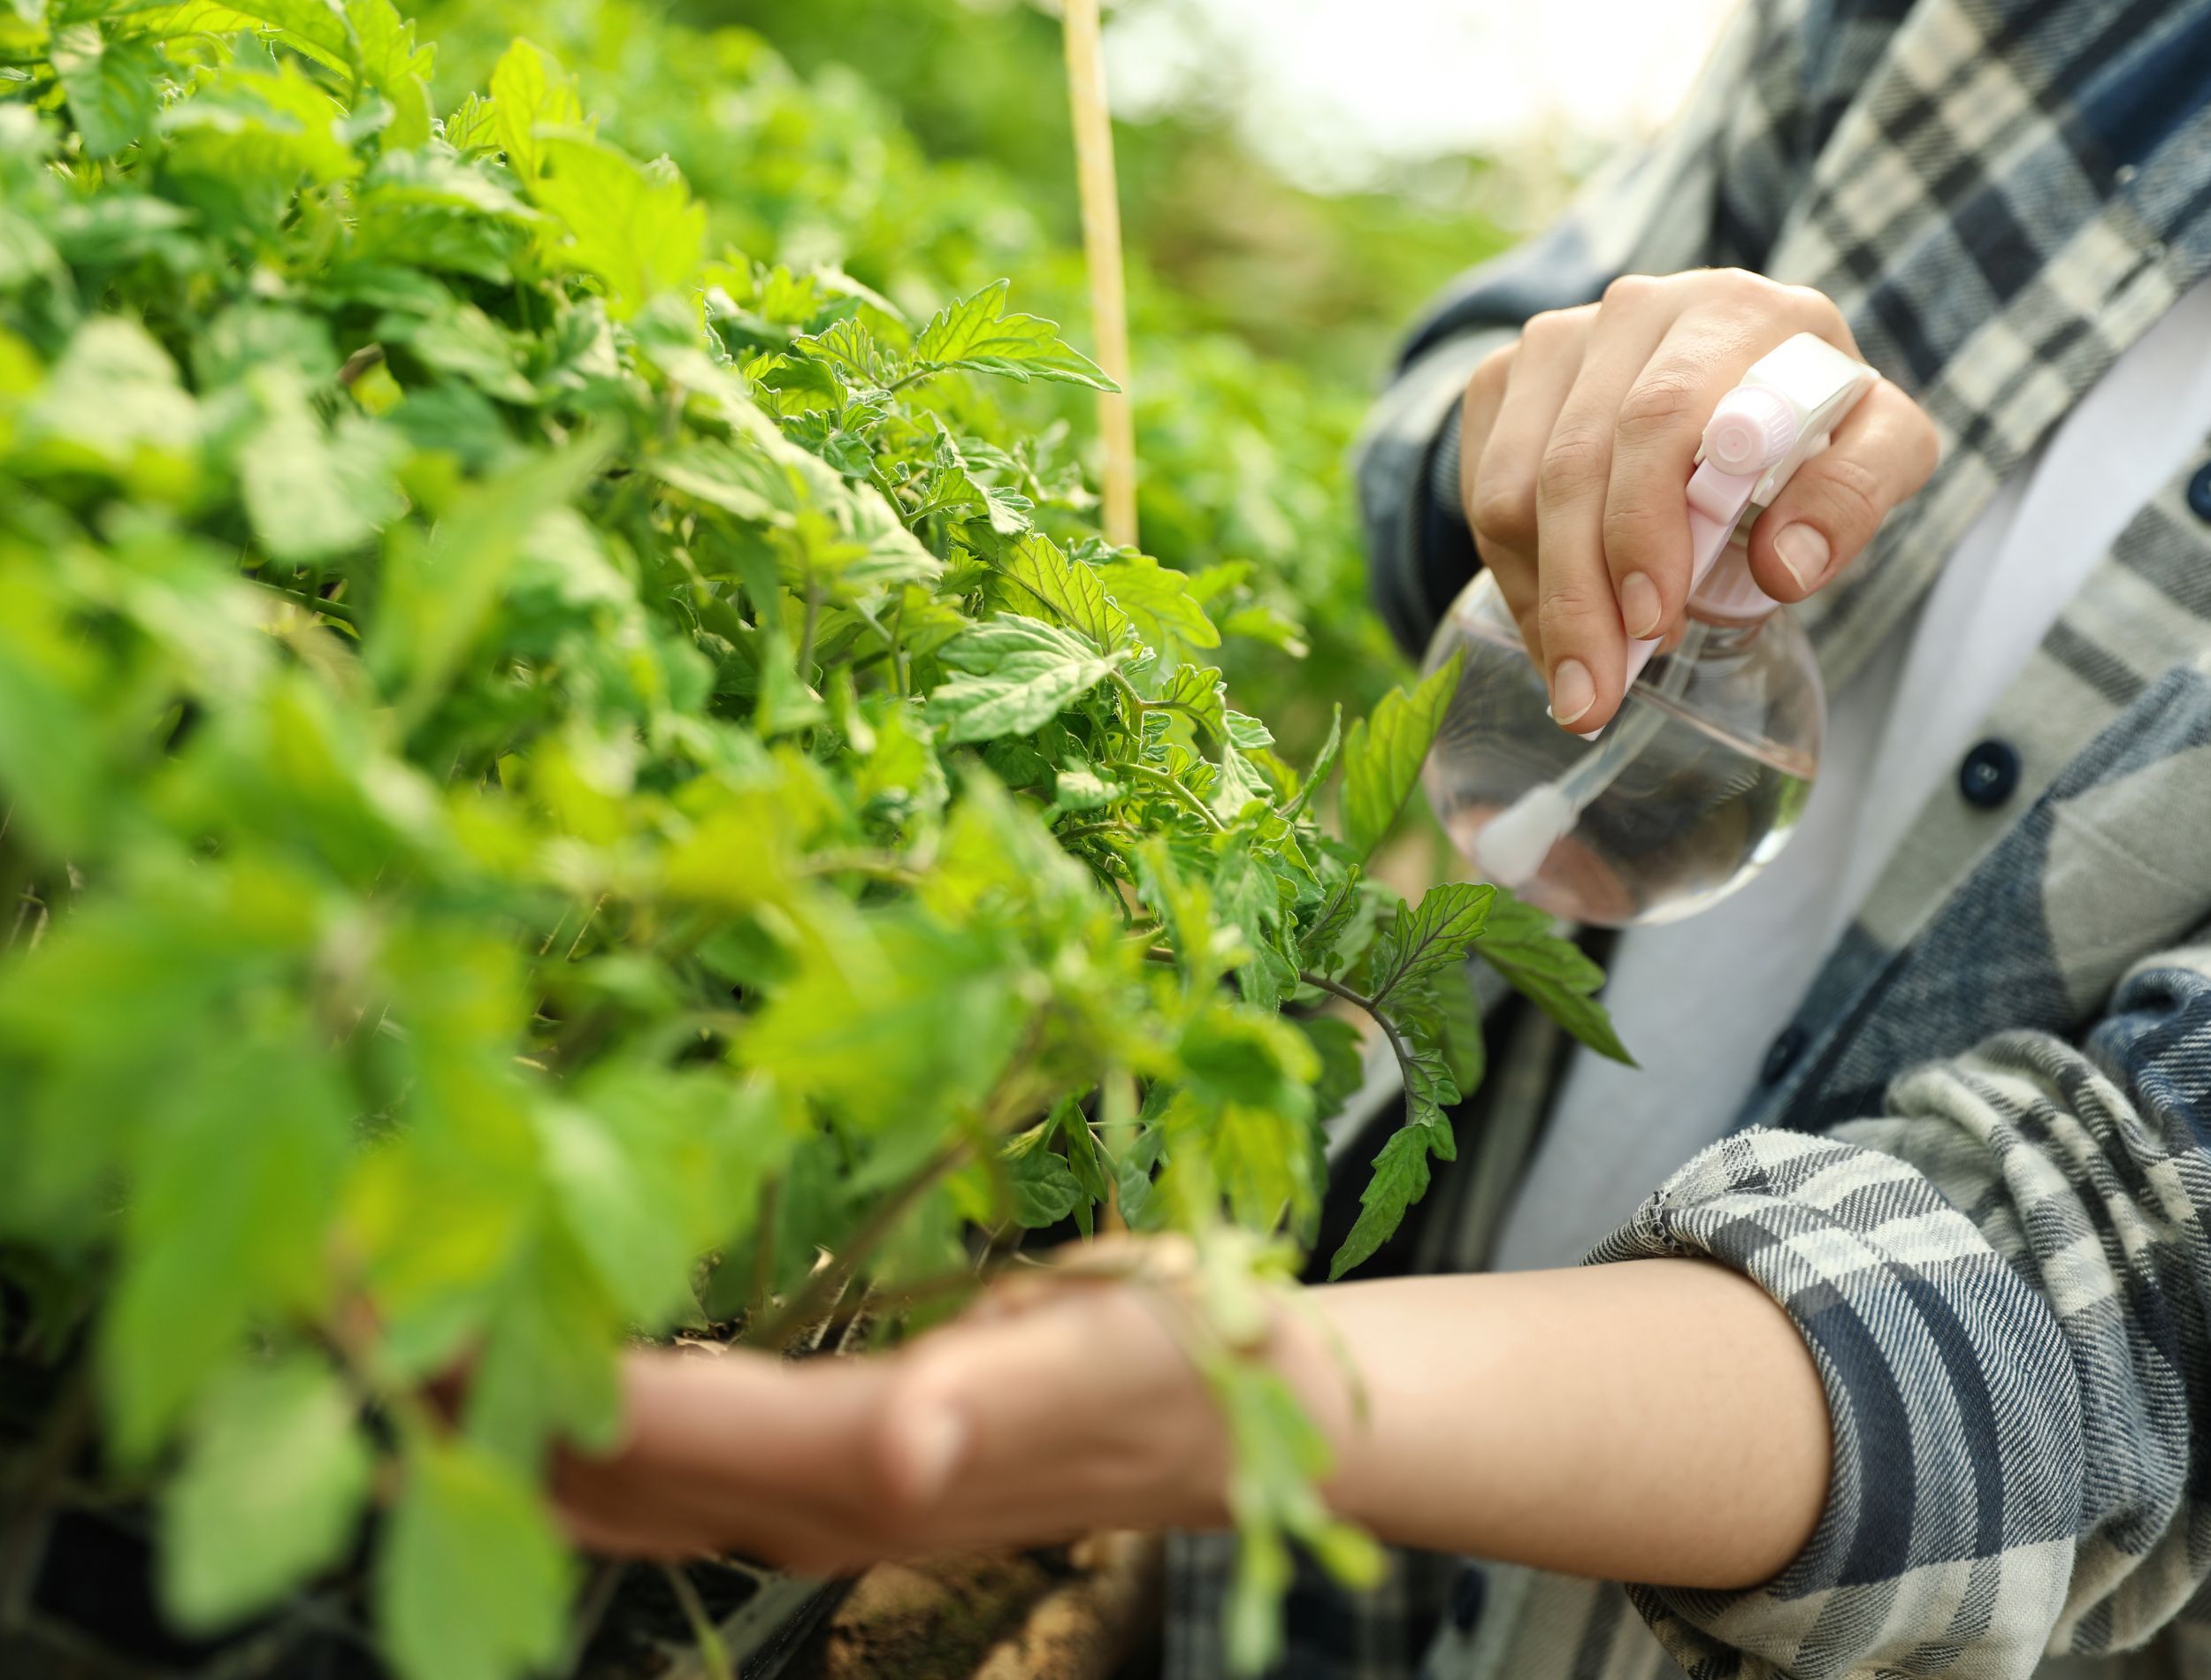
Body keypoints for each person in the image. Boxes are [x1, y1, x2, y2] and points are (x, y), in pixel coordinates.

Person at [554, 1, 2211, 1674]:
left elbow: (2115, 1339)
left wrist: (1231, 1390)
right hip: (1289, 1601)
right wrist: (1548, 430)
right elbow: (1448, 415)